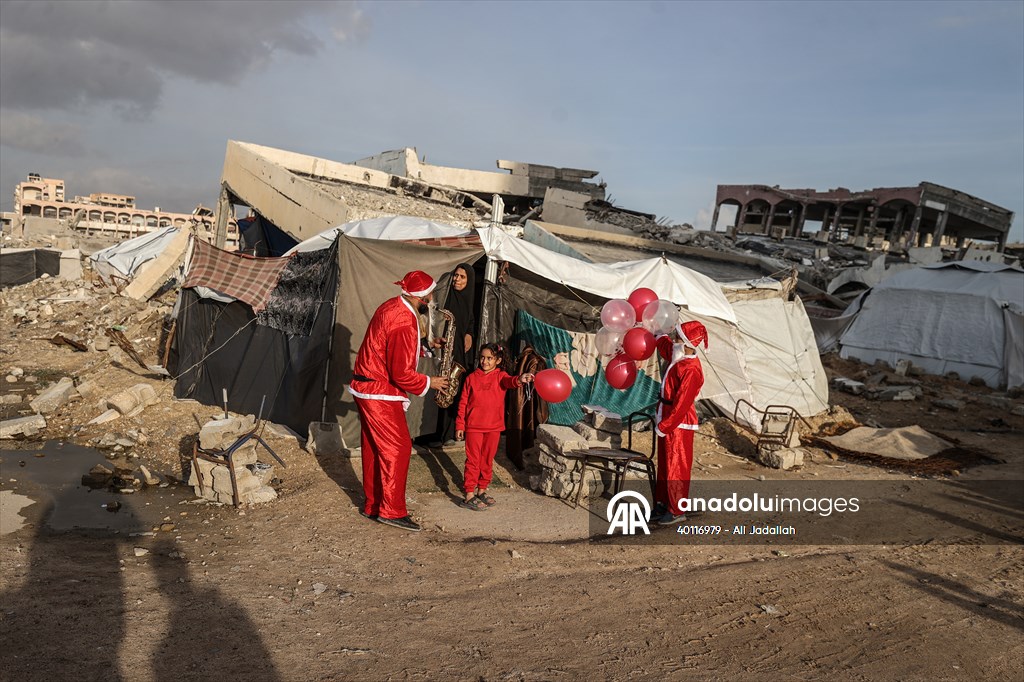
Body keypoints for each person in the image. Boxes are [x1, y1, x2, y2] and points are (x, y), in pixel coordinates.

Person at [348, 270, 449, 532]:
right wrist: (431, 382)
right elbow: (401, 373)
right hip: (379, 390)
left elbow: (392, 344)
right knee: (399, 448)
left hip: (366, 385)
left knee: (373, 448)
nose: (433, 296)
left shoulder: (392, 305)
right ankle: (391, 511)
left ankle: (374, 505)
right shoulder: (405, 320)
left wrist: (429, 346)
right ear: (423, 296)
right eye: (431, 292)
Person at [454, 343, 534, 511]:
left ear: (497, 360)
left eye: (489, 358)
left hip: (494, 427)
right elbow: (462, 403)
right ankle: (469, 494)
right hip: (473, 427)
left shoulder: (501, 376)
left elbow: (511, 381)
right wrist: (460, 424)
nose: (485, 361)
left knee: (487, 460)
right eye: (482, 357)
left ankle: (481, 490)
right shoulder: (471, 378)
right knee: (473, 460)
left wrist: (520, 379)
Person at [652, 321, 707, 526]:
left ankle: (676, 509)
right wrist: (659, 336)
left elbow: (682, 404)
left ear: (686, 343)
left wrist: (665, 425)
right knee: (665, 465)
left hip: (678, 423)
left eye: (677, 338)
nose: (674, 340)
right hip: (666, 416)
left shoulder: (691, 370)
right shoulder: (679, 356)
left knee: (677, 466)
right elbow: (667, 348)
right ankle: (663, 503)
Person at [430, 263, 476, 446]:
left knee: (453, 391)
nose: (457, 279)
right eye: (456, 275)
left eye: (462, 277)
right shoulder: (445, 298)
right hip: (441, 351)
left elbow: (469, 320)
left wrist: (469, 334)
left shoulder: (468, 300)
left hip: (457, 354)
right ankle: (433, 433)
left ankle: (448, 434)